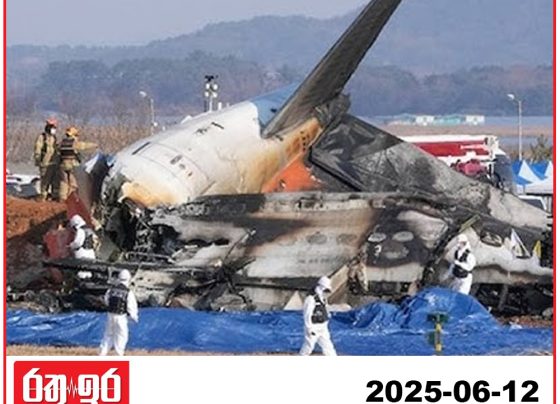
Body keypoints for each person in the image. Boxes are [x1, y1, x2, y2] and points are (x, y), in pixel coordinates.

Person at [99, 269, 138, 356]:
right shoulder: (128, 292)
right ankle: (119, 354)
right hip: (121, 317)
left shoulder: (111, 290)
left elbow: (106, 300)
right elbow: (131, 306)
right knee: (121, 336)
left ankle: (102, 353)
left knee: (108, 335)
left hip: (110, 315)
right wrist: (134, 317)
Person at [299, 276, 337, 356]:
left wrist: (327, 316)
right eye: (325, 290)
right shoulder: (311, 299)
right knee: (308, 347)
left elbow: (325, 308)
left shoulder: (323, 298)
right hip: (314, 327)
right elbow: (307, 314)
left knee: (328, 347)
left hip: (323, 326)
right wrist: (309, 328)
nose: (326, 292)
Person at [58, 126, 97, 201]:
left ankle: (62, 198)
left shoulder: (61, 143)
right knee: (73, 182)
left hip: (63, 164)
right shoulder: (74, 143)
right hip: (72, 164)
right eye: (76, 135)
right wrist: (94, 145)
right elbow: (84, 146)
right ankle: (70, 198)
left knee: (64, 182)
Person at [33, 118, 59, 200]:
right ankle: (43, 196)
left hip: (54, 162)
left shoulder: (54, 138)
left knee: (55, 181)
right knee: (45, 181)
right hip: (45, 163)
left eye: (55, 128)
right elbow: (37, 148)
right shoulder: (42, 137)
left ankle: (54, 197)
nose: (54, 129)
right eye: (52, 127)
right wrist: (38, 159)